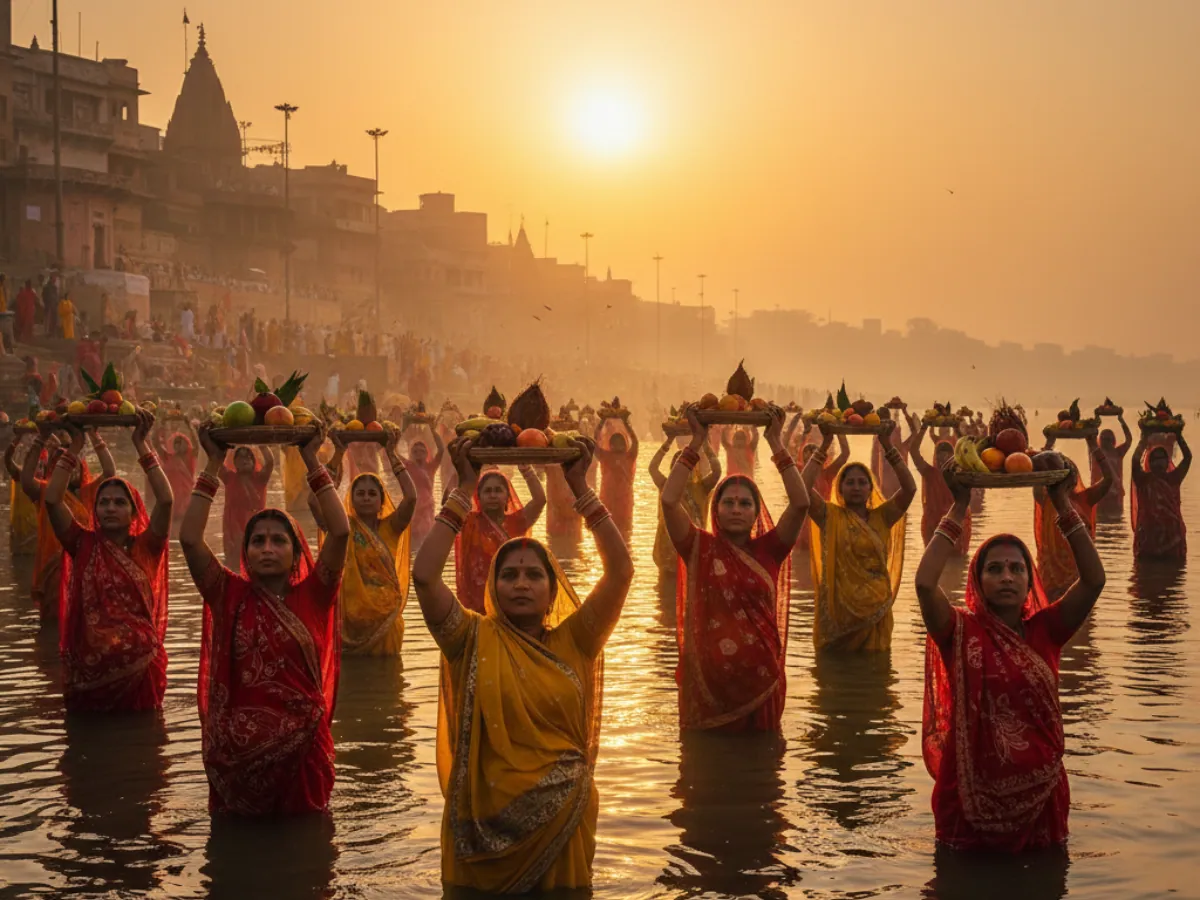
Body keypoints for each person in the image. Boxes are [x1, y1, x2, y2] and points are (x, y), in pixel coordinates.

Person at [411, 436, 633, 892]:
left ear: (553, 592)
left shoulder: (577, 639)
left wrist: (580, 487)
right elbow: (424, 575)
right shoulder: (470, 638)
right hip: (482, 830)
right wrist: (462, 487)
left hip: (562, 826)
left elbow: (621, 571)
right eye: (508, 574)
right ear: (493, 586)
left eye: (534, 574)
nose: (521, 583)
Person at [915, 469, 1105, 851]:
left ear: (1029, 578)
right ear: (978, 580)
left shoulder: (1046, 630)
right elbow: (924, 583)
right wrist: (959, 505)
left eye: (1017, 568)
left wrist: (1063, 503)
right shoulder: (957, 631)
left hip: (1042, 796)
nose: (1007, 576)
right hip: (969, 798)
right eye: (995, 569)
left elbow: (1093, 580)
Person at [180, 423, 350, 816]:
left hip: (303, 757)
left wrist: (311, 458)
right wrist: (211, 461)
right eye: (258, 541)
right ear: (246, 550)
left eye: (279, 540)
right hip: (236, 762)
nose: (268, 548)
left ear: (296, 552)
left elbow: (340, 532)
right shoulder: (227, 594)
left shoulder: (314, 594)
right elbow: (190, 539)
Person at [662, 405, 808, 731]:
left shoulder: (770, 549)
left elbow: (800, 503)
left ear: (757, 512)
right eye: (728, 502)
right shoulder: (698, 547)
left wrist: (776, 441)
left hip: (762, 683)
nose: (736, 509)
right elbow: (669, 501)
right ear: (716, 509)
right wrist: (697, 441)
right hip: (709, 687)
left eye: (745, 503)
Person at [44, 410, 173, 711]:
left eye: (119, 502)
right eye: (103, 502)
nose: (110, 508)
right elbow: (52, 499)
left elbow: (166, 500)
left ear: (133, 512)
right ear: (95, 510)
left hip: (140, 672)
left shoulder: (147, 547)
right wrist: (74, 446)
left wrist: (141, 444)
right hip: (89, 675)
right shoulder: (82, 543)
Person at [804, 423, 916, 651]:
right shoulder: (829, 516)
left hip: (876, 612)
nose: (856, 487)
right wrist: (825, 444)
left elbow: (910, 488)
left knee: (876, 677)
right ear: (840, 488)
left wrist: (887, 445)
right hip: (838, 616)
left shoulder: (883, 517)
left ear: (870, 488)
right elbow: (802, 489)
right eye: (850, 482)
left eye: (862, 482)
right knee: (834, 680)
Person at [311, 429, 416, 656]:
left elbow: (411, 498)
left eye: (371, 494)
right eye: (361, 493)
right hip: (348, 623)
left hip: (386, 621)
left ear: (381, 502)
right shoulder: (341, 528)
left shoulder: (391, 527)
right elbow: (315, 501)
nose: (366, 497)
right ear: (351, 499)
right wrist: (338, 455)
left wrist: (391, 454)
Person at [24, 428, 115, 623]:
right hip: (54, 571)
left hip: (84, 568)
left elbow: (109, 472)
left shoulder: (87, 494)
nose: (71, 470)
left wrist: (94, 434)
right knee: (55, 626)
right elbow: (25, 480)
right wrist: (41, 438)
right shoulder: (44, 493)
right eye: (64, 466)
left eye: (75, 466)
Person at [454, 465, 546, 613]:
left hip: (510, 600)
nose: (493, 495)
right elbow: (449, 503)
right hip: (476, 604)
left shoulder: (516, 522)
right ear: (478, 497)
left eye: (498, 490)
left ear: (507, 497)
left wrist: (526, 468)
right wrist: (465, 470)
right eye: (487, 491)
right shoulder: (468, 522)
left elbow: (540, 500)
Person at [1034, 436, 1111, 600]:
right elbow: (1036, 474)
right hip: (1051, 577)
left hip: (1079, 572)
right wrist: (1048, 447)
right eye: (1060, 476)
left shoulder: (1086, 498)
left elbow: (1109, 479)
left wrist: (1093, 446)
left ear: (1075, 478)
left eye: (1068, 475)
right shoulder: (1045, 498)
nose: (1064, 481)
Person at [649, 434, 720, 576]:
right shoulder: (666, 485)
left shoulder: (702, 487)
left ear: (695, 469)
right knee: (666, 591)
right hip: (667, 554)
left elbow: (717, 471)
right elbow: (653, 468)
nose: (684, 471)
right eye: (678, 466)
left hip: (693, 550)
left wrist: (705, 444)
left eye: (688, 466)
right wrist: (668, 442)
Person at [1130, 430, 1191, 560]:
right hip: (1148, 538)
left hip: (1172, 538)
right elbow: (1135, 461)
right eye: (1155, 459)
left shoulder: (1173, 478)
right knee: (1146, 574)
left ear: (1167, 462)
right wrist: (1144, 439)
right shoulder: (1142, 480)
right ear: (1149, 463)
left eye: (1162, 459)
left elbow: (1188, 457)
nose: (1158, 463)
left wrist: (1179, 435)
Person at [910, 425, 970, 554]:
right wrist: (923, 428)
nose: (943, 460)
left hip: (956, 525)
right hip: (933, 527)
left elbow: (967, 450)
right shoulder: (929, 473)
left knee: (957, 564)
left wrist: (957, 429)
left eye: (947, 456)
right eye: (940, 456)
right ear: (935, 457)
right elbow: (914, 451)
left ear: (953, 456)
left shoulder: (960, 472)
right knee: (933, 561)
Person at [219, 446, 274, 567]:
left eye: (249, 457)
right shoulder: (229, 478)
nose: (245, 460)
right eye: (241, 457)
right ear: (235, 463)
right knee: (234, 565)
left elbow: (270, 462)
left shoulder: (260, 478)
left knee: (256, 562)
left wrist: (262, 445)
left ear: (254, 462)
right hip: (233, 531)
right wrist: (222, 445)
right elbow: (216, 461)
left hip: (256, 527)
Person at [398, 427, 444, 550]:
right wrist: (403, 427)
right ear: (410, 453)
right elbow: (392, 451)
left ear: (427, 453)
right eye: (415, 451)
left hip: (427, 510)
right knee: (412, 543)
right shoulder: (406, 467)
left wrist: (432, 428)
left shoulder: (431, 467)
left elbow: (441, 450)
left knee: (425, 542)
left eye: (422, 451)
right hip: (412, 509)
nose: (418, 453)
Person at [594, 414, 639, 534]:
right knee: (608, 533)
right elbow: (594, 443)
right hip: (607, 500)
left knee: (625, 533)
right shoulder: (606, 456)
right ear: (610, 445)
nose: (618, 445)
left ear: (625, 445)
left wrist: (626, 424)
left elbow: (635, 442)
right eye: (615, 442)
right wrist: (601, 422)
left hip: (625, 502)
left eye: (621, 442)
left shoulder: (629, 456)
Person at [154, 425, 198, 531]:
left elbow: (197, 445)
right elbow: (157, 445)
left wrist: (190, 427)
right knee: (171, 527)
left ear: (187, 444)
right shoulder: (167, 457)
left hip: (186, 499)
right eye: (176, 442)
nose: (179, 445)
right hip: (172, 497)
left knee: (184, 528)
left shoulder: (190, 457)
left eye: (181, 442)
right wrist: (160, 426)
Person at [4, 433, 42, 556]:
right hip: (21, 538)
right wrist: (16, 440)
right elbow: (7, 459)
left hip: (37, 537)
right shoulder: (20, 474)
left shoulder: (46, 481)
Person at [1093, 413, 1132, 516]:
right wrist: (1096, 419)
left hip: (1115, 493)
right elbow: (1091, 436)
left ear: (1113, 440)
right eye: (1104, 439)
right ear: (1100, 440)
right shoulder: (1096, 453)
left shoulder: (1118, 452)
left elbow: (1129, 440)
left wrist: (1122, 420)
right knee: (1100, 519)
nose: (1107, 442)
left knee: (1116, 517)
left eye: (1109, 439)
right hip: (1101, 493)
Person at [14, 279, 38, 343]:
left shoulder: (27, 293)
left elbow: (18, 301)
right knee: (26, 324)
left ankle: (26, 338)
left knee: (26, 324)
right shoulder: (28, 293)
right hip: (26, 311)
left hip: (26, 311)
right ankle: (25, 338)